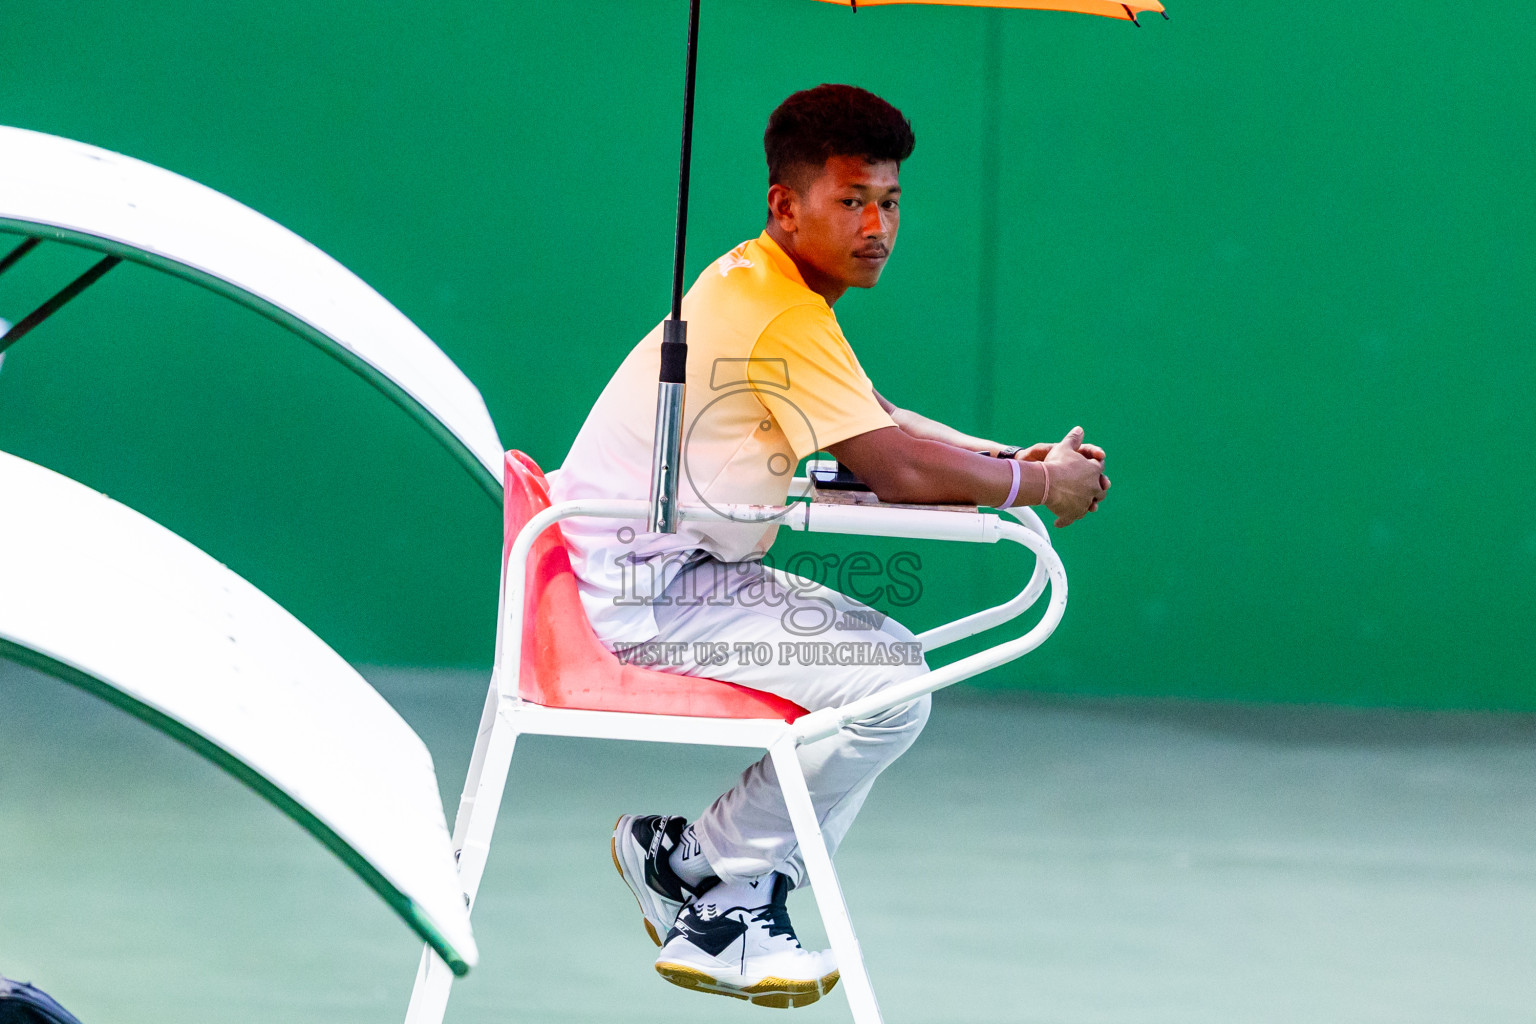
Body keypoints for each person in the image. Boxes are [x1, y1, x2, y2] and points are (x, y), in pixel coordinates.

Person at [545, 83, 1109, 1007]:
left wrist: (1009, 458)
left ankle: (697, 869)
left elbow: (875, 423)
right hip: (642, 594)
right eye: (851, 201)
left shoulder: (761, 283)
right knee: (889, 687)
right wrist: (1041, 487)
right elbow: (896, 470)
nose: (877, 225)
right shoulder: (780, 311)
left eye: (889, 202)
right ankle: (719, 889)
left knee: (888, 676)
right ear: (786, 205)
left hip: (658, 570)